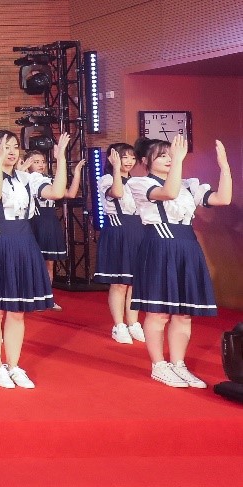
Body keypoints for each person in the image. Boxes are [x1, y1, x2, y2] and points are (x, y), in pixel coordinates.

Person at [0, 131, 71, 390]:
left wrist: (61, 159)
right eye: (4, 147)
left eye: (14, 147)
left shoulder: (28, 178)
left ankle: (14, 365)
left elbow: (57, 192)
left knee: (17, 311)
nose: (11, 151)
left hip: (24, 243)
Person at [128, 135, 232, 388]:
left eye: (170, 154)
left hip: (187, 248)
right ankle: (159, 365)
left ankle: (178, 364)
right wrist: (178, 161)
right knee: (159, 313)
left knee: (184, 314)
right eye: (162, 155)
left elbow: (223, 199)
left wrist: (224, 166)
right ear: (145, 161)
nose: (169, 159)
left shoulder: (189, 185)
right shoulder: (140, 183)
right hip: (160, 246)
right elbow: (168, 192)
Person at [92, 142, 145, 344]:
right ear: (113, 158)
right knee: (120, 282)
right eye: (124, 157)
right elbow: (117, 193)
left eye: (132, 157)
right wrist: (116, 169)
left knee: (134, 282)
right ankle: (119, 325)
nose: (129, 161)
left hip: (138, 231)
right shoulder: (106, 179)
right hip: (118, 231)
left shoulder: (136, 182)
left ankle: (133, 323)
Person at [23, 148, 86, 311]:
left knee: (49, 264)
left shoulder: (48, 180)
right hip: (32, 222)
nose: (41, 165)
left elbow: (70, 194)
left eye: (43, 162)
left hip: (49, 222)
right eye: (36, 162)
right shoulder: (24, 179)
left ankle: (47, 298)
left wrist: (76, 173)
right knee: (32, 263)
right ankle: (31, 298)